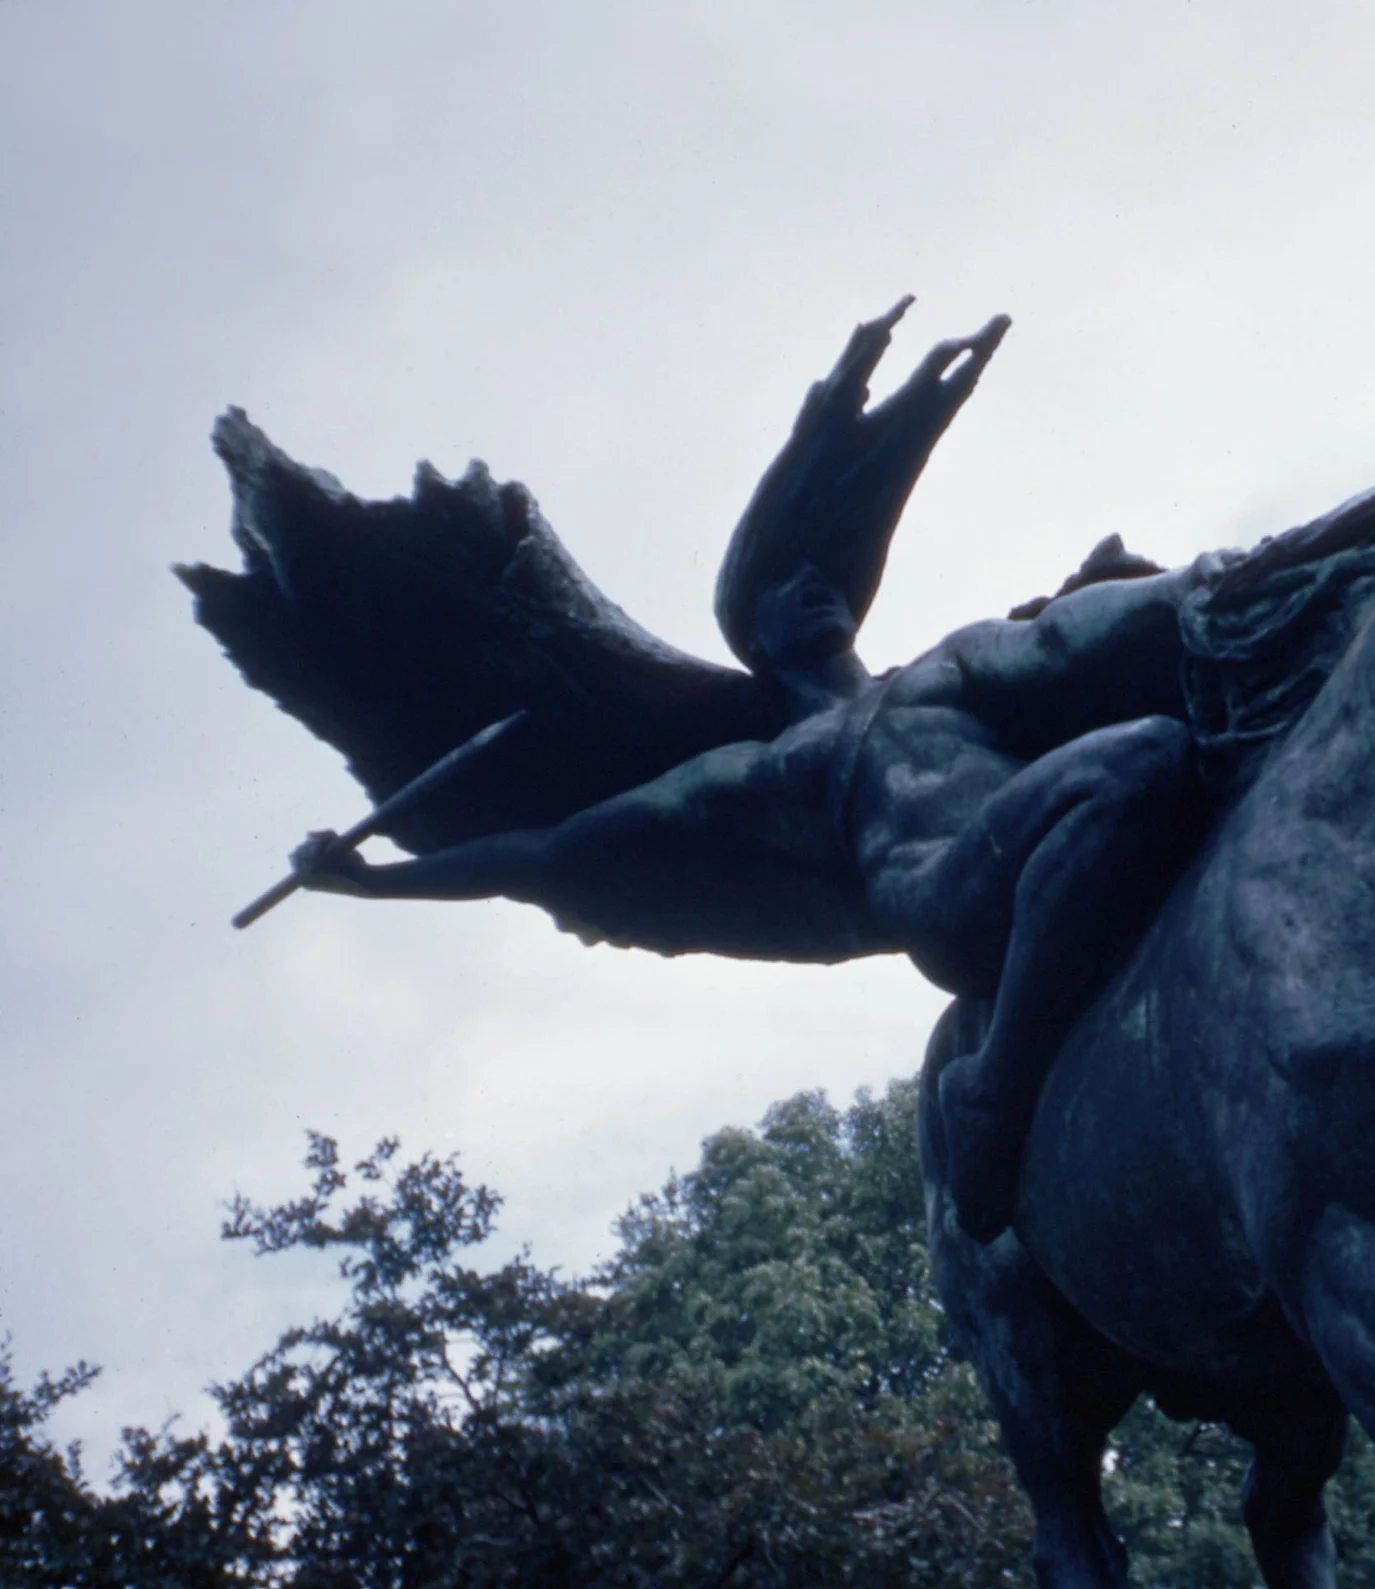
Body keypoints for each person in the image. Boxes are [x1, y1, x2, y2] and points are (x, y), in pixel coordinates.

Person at [289, 306, 1205, 1244]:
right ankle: (996, 1087)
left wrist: (1197, 589)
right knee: (1139, 761)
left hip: (1039, 832)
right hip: (947, 898)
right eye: (786, 582)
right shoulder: (769, 768)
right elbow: (557, 853)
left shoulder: (949, 664)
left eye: (827, 575)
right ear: (756, 639)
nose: (818, 582)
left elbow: (1059, 642)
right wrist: (373, 882)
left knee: (1176, 743)